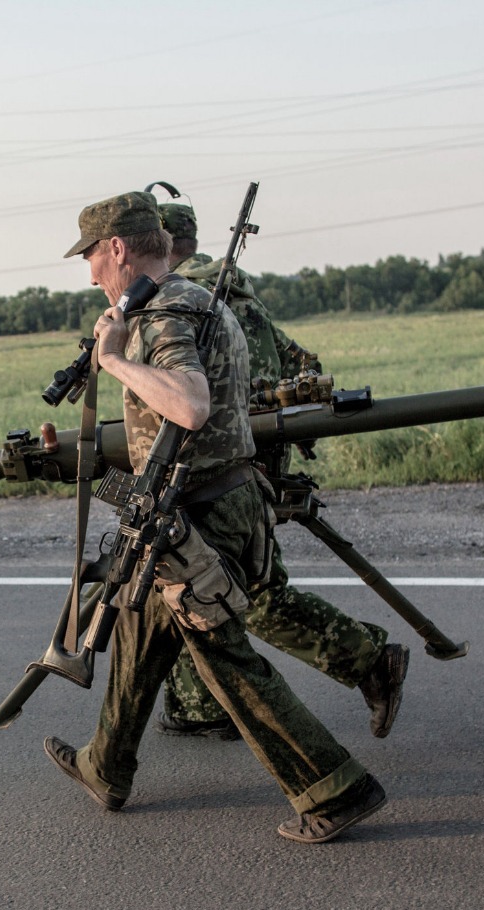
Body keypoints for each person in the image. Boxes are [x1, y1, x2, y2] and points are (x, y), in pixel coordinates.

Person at [42, 191, 385, 844]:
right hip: (218, 504)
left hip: (196, 520)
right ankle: (105, 765)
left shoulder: (164, 313)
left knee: (223, 659)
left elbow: (193, 405)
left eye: (91, 255)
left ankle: (332, 788)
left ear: (116, 248)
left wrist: (114, 360)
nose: (89, 272)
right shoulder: (202, 302)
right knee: (142, 628)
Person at [148, 199, 409, 740]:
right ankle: (201, 707)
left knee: (241, 593)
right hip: (251, 469)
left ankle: (367, 660)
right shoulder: (240, 297)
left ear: (156, 244)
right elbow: (304, 366)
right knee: (197, 586)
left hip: (210, 475)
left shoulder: (174, 305)